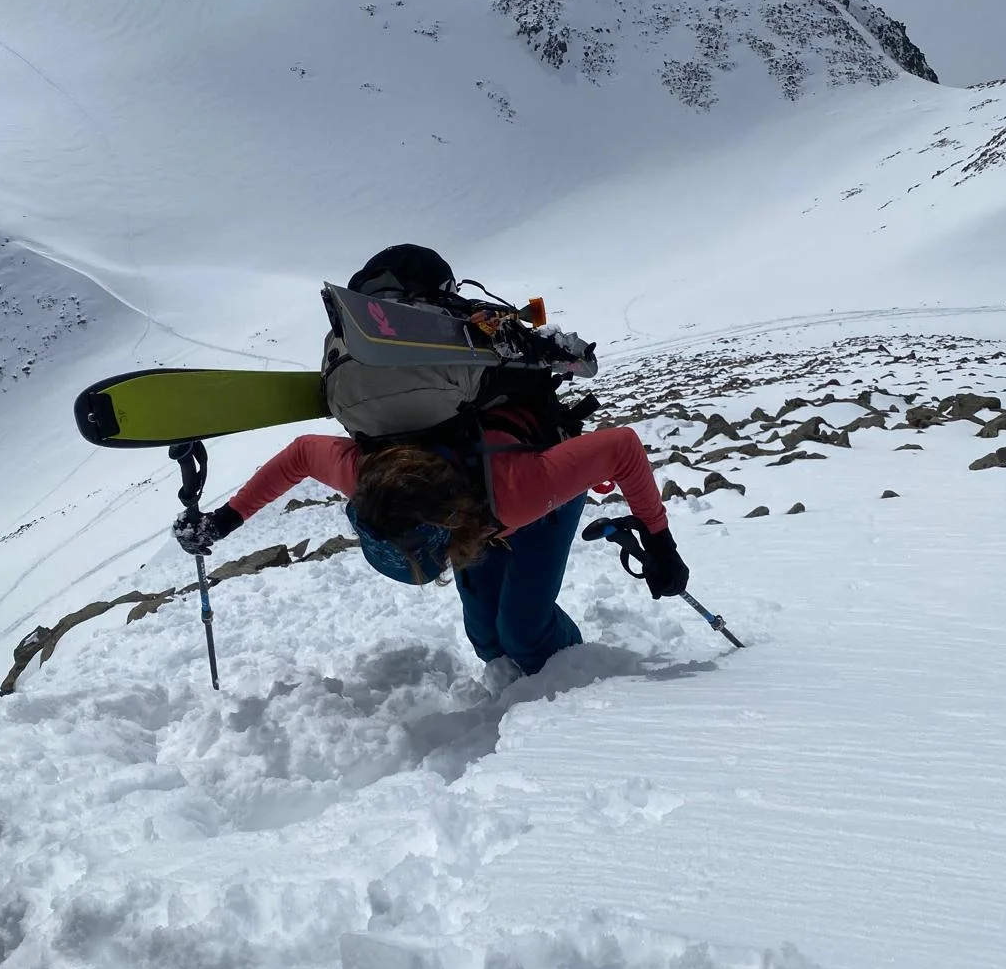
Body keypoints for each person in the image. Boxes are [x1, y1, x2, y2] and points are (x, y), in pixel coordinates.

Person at [173, 257, 689, 678]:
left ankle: (584, 686)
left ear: (452, 531)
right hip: (477, 509)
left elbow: (620, 448)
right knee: (487, 638)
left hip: (535, 483)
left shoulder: (517, 491)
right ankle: (528, 686)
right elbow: (303, 454)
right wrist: (223, 521)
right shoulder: (366, 473)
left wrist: (660, 542)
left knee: (524, 633)